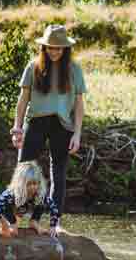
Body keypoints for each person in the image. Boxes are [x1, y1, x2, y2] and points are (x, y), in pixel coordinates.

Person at [10, 24, 85, 235]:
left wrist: (77, 134)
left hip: (62, 126)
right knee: (24, 171)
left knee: (58, 173)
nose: (54, 51)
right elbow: (23, 99)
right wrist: (17, 127)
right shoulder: (33, 67)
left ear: (65, 49)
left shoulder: (74, 70)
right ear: (44, 48)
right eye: (50, 48)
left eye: (59, 48)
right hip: (35, 122)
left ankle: (54, 222)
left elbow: (79, 104)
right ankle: (15, 217)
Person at [0, 160, 59, 236]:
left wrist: (53, 226)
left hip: (25, 207)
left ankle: (34, 221)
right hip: (12, 209)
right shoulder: (11, 194)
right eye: (28, 184)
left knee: (41, 200)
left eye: (34, 184)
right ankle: (12, 223)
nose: (32, 187)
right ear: (20, 183)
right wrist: (4, 223)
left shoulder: (39, 194)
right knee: (13, 230)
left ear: (39, 183)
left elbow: (54, 208)